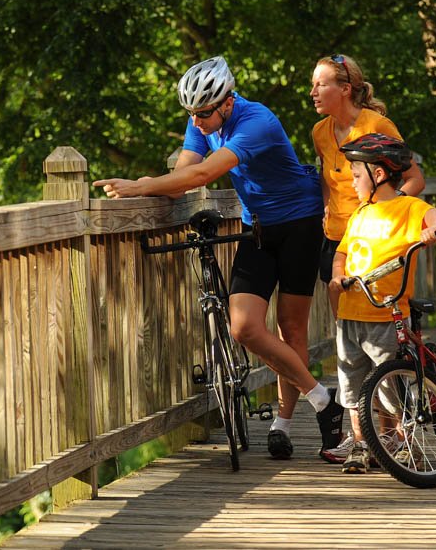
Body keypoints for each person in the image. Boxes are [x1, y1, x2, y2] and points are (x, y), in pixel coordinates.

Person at [93, 55, 344, 460]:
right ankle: (322, 400)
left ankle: (281, 423)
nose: (197, 123)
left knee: (291, 330)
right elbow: (178, 181)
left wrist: (141, 187)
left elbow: (202, 176)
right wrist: (149, 184)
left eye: (204, 113)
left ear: (227, 102)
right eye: (191, 114)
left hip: (300, 223)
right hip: (258, 227)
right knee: (244, 328)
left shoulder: (256, 121)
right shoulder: (202, 123)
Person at [325, 133, 436, 472]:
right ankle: (362, 444)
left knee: (388, 384)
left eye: (357, 175)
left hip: (384, 314)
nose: (352, 180)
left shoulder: (407, 208)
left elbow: (433, 214)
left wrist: (431, 231)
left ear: (378, 175)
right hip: (350, 312)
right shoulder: (361, 213)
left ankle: (399, 440)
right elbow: (342, 252)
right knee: (351, 384)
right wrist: (337, 275)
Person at [310, 54, 426, 316]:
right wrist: (327, 205)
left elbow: (415, 179)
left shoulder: (376, 126)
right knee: (343, 322)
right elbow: (326, 174)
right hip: (336, 238)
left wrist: (385, 210)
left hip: (373, 239)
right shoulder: (319, 132)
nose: (312, 92)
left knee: (376, 320)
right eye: (313, 85)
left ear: (345, 89)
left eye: (321, 85)